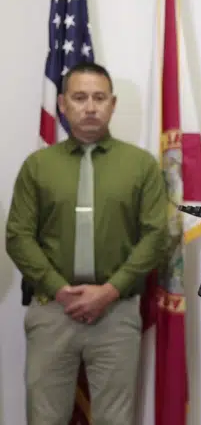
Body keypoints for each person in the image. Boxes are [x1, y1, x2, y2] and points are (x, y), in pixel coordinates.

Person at [6, 62, 169, 425]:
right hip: (51, 310)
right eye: (80, 98)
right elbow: (18, 236)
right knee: (43, 417)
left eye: (99, 98)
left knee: (116, 418)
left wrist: (110, 291)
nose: (90, 107)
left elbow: (156, 235)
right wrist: (60, 290)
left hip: (117, 311)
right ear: (62, 104)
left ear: (113, 104)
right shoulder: (38, 166)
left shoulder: (140, 165)